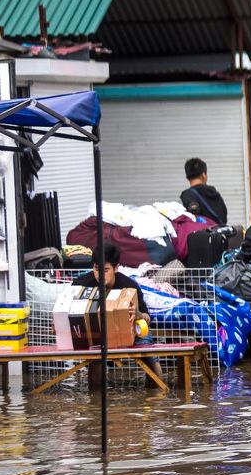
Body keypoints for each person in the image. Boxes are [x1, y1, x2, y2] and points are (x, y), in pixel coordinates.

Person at [73, 243, 162, 380]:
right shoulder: (81, 284)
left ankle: (158, 393)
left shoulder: (129, 286)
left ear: (116, 268)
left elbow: (147, 318)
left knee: (148, 352)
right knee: (95, 356)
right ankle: (95, 397)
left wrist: (138, 314)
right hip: (97, 333)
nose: (100, 275)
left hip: (129, 331)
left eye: (106, 270)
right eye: (97, 269)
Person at [180, 158, 228, 225]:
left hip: (202, 234)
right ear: (204, 175)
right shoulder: (215, 193)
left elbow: (193, 222)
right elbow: (224, 218)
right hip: (220, 233)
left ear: (187, 177)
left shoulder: (188, 196)